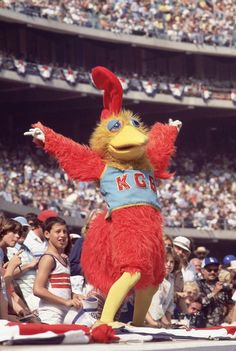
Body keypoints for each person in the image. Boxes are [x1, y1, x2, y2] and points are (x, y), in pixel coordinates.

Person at [33, 216, 82, 324]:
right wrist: (65, 302)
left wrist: (74, 295)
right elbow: (37, 289)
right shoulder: (48, 259)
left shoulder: (65, 259)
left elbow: (59, 288)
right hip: (51, 314)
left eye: (65, 231)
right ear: (47, 234)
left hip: (65, 313)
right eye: (58, 231)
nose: (63, 235)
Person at [7, 216, 40, 312]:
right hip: (25, 296)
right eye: (18, 230)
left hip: (35, 293)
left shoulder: (27, 248)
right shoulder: (9, 248)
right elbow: (8, 275)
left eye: (25, 229)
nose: (22, 233)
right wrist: (29, 265)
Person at [145, 247, 179, 328]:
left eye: (172, 262)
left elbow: (170, 304)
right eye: (165, 261)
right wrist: (164, 322)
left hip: (160, 320)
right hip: (147, 318)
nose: (169, 264)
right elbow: (155, 303)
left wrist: (169, 322)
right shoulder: (155, 277)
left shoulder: (171, 279)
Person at [197, 257, 233, 327]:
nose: (212, 272)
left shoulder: (222, 285)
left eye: (215, 270)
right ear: (203, 271)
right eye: (209, 270)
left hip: (222, 325)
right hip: (204, 325)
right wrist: (214, 292)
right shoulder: (199, 284)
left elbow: (230, 304)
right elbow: (201, 303)